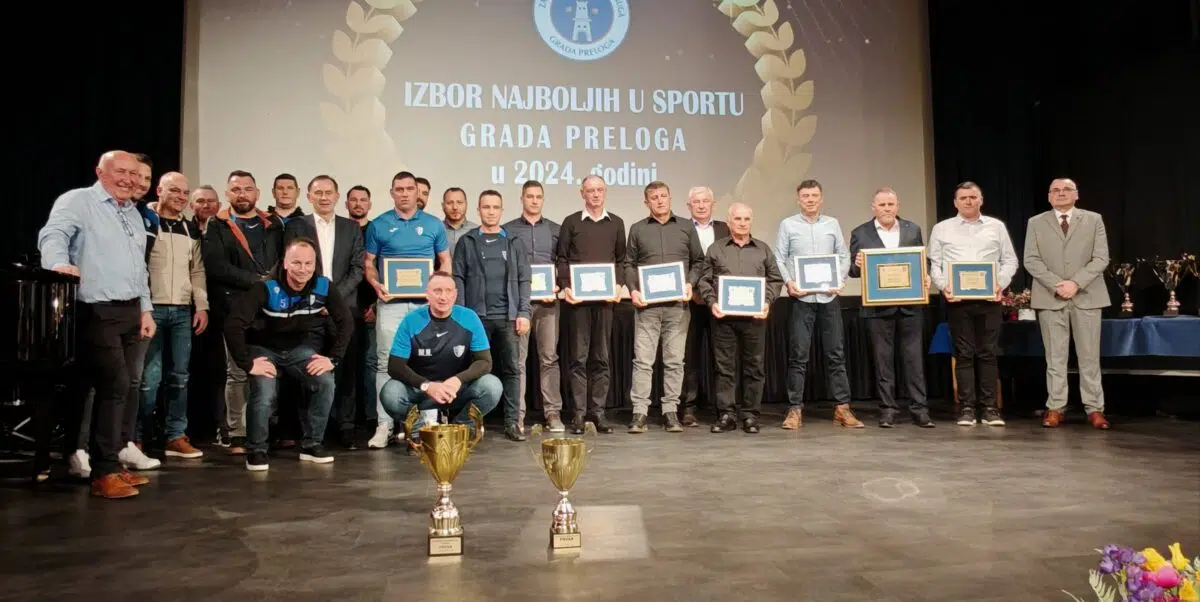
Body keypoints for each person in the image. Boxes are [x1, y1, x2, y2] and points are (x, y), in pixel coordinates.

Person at [38, 150, 156, 498]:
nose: (129, 179)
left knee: (120, 387)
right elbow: (53, 235)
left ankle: (111, 464)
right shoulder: (78, 201)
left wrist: (146, 309)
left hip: (130, 310)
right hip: (95, 310)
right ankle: (103, 473)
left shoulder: (133, 213)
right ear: (100, 172)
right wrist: (58, 265)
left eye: (134, 173)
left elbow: (139, 267)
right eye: (121, 171)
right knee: (114, 385)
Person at [223, 238, 354, 471]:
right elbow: (233, 324)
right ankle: (256, 450)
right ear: (285, 263)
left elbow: (346, 322)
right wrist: (247, 363)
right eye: (296, 263)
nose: (303, 269)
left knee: (325, 382)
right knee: (265, 391)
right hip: (262, 349)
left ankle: (312, 445)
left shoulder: (323, 286)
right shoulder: (265, 287)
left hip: (296, 349)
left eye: (308, 263)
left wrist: (333, 359)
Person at [362, 171, 451, 448]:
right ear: (392, 193)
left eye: (409, 189)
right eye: (398, 189)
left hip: (425, 306)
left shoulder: (434, 224)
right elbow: (368, 263)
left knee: (427, 361)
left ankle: (428, 424)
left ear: (417, 192)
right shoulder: (379, 224)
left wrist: (439, 289)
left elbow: (445, 261)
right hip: (390, 304)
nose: (404, 193)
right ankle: (384, 425)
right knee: (385, 363)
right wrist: (375, 283)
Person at [928, 181, 1019, 427]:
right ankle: (967, 408)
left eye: (973, 197)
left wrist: (999, 284)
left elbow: (1010, 260)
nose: (968, 201)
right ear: (955, 202)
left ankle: (990, 408)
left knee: (988, 353)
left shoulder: (996, 227)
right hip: (958, 301)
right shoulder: (942, 229)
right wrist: (944, 286)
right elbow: (935, 264)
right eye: (963, 198)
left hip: (989, 299)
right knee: (964, 354)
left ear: (981, 200)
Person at [775, 179, 863, 429]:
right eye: (806, 196)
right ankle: (794, 409)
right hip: (801, 299)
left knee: (836, 354)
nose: (810, 200)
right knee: (798, 355)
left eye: (814, 196)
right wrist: (789, 282)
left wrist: (839, 279)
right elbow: (779, 257)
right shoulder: (788, 225)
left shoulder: (832, 224)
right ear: (798, 199)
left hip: (828, 298)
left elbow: (843, 255)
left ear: (821, 199)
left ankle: (842, 408)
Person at [1023, 178, 1110, 429]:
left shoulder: (1093, 220)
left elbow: (1101, 257)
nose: (1061, 193)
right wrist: (1058, 284)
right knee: (1055, 358)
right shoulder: (1036, 222)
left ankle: (1094, 408)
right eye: (1056, 190)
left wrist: (1076, 283)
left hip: (1087, 296)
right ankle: (1055, 407)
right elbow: (1031, 259)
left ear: (1076, 194)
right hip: (1051, 297)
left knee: (1089, 357)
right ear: (1049, 196)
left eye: (1066, 190)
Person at [284, 175, 365, 446]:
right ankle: (311, 431)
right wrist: (317, 298)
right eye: (318, 192)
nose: (324, 197)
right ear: (309, 196)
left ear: (337, 196)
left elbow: (357, 269)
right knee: (309, 370)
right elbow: (292, 266)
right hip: (308, 311)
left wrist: (332, 300)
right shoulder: (296, 226)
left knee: (346, 371)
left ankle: (346, 427)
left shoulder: (351, 228)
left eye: (329, 192)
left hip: (344, 311)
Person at [136, 171, 210, 458]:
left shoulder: (190, 228)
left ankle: (175, 436)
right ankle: (137, 438)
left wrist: (201, 305)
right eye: (174, 191)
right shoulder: (144, 221)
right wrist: (142, 307)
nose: (180, 197)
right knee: (148, 379)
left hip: (181, 310)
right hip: (150, 309)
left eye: (185, 193)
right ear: (159, 191)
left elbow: (197, 270)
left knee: (179, 377)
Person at [378, 272, 502, 441]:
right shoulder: (411, 320)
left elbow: (485, 362)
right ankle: (418, 434)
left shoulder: (469, 318)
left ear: (455, 294)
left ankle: (461, 428)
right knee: (390, 393)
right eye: (437, 291)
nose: (443, 297)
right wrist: (427, 386)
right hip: (421, 390)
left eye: (448, 291)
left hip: (456, 390)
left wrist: (457, 380)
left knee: (492, 386)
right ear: (427, 294)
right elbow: (395, 366)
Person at [848, 188, 934, 428]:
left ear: (897, 206)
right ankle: (888, 409)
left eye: (891, 204)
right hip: (877, 307)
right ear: (873, 207)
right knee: (883, 361)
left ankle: (920, 409)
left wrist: (925, 274)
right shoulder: (860, 233)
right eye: (882, 204)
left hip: (910, 305)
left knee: (914, 360)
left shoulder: (912, 229)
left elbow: (921, 260)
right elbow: (852, 271)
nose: (887, 208)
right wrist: (857, 264)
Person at [624, 181, 704, 433]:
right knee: (643, 362)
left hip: (677, 307)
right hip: (647, 307)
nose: (659, 200)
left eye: (663, 196)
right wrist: (633, 290)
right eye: (654, 197)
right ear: (646, 202)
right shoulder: (637, 229)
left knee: (674, 361)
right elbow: (629, 264)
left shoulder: (686, 226)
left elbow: (699, 261)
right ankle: (639, 413)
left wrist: (690, 283)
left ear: (670, 198)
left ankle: (670, 412)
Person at [697, 203, 784, 434]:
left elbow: (775, 280)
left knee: (754, 367)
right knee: (724, 368)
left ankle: (750, 415)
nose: (742, 223)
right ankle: (726, 414)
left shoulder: (763, 249)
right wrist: (712, 303)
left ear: (751, 221)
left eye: (746, 219)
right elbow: (704, 281)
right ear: (729, 222)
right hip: (723, 318)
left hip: (754, 319)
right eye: (738, 219)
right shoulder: (716, 249)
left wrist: (767, 302)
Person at [453, 190, 531, 441]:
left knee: (512, 370)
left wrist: (524, 312)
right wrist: (462, 315)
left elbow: (524, 279)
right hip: (476, 318)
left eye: (495, 207)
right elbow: (458, 278)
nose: (490, 211)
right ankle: (471, 421)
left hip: (509, 317)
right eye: (486, 207)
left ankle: (512, 422)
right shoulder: (467, 242)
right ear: (478, 211)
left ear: (501, 210)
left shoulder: (514, 242)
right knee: (474, 370)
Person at [555, 175, 625, 434]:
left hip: (605, 302)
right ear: (582, 193)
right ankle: (578, 414)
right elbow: (562, 258)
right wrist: (566, 287)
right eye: (590, 190)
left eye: (599, 190)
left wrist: (618, 285)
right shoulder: (571, 222)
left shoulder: (616, 223)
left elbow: (621, 260)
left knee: (602, 358)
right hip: (578, 303)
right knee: (578, 358)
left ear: (605, 192)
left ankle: (598, 413)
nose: (595, 194)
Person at [503, 180, 565, 432]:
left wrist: (558, 286)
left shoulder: (555, 229)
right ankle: (517, 416)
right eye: (530, 196)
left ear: (543, 199)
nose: (534, 200)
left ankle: (552, 413)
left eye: (538, 196)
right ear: (522, 199)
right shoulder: (508, 230)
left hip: (548, 304)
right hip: (520, 305)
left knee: (549, 358)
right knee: (518, 361)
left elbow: (561, 264)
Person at [679, 185, 729, 426]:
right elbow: (684, 263)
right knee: (690, 357)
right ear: (689, 206)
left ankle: (724, 408)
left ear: (713, 204)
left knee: (723, 357)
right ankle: (688, 407)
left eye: (705, 201)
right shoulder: (681, 228)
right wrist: (694, 291)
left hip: (721, 303)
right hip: (691, 302)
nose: (701, 206)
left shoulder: (725, 229)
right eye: (696, 202)